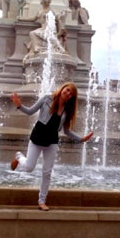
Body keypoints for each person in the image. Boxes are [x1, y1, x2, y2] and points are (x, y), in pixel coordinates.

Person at [10, 82, 94, 211]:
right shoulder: (46, 99)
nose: (68, 94)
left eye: (71, 93)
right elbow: (30, 111)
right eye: (67, 90)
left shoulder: (68, 110)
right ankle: (19, 156)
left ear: (72, 97)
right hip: (37, 138)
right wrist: (19, 105)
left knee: (47, 172)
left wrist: (81, 139)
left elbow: (66, 131)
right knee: (28, 168)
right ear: (62, 89)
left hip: (52, 142)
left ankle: (42, 201)